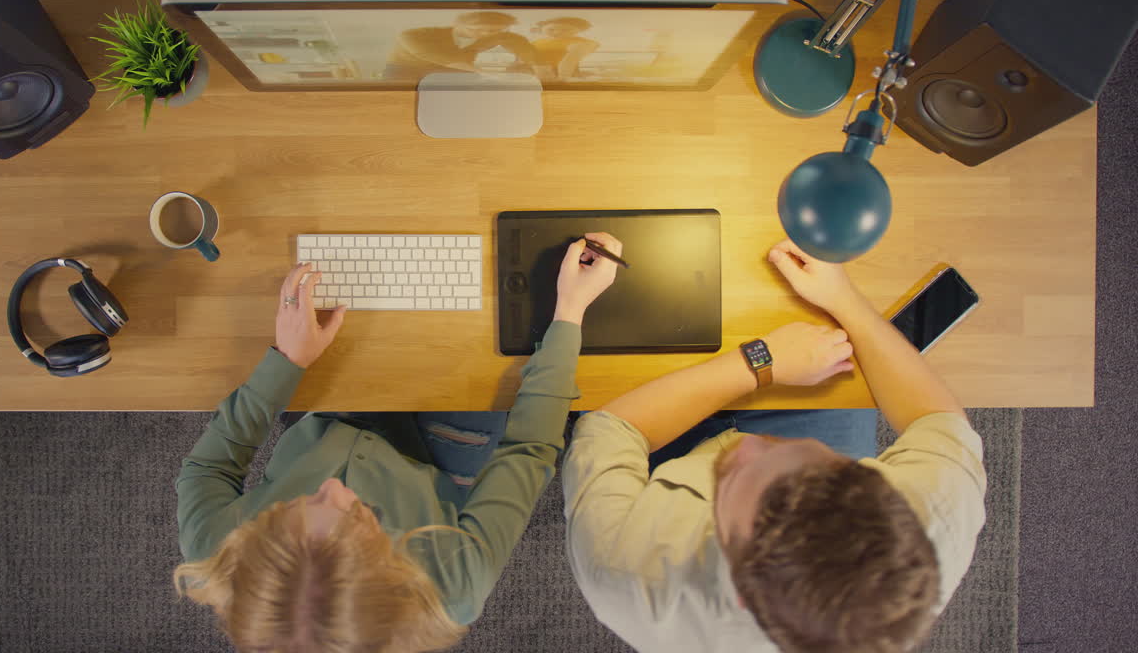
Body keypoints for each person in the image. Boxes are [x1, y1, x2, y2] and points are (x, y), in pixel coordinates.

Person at [172, 233, 623, 653]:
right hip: (434, 460)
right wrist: (570, 311)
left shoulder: (217, 552)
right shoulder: (454, 585)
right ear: (398, 571)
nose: (334, 487)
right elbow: (529, 448)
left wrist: (288, 360)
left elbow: (210, 468)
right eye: (360, 516)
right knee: (490, 358)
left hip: (325, 426)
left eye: (295, 506)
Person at [562, 239, 987, 653]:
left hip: (661, 447)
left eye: (733, 479)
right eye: (802, 455)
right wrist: (843, 298)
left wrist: (759, 361)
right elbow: (938, 420)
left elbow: (610, 429)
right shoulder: (932, 521)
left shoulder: (625, 575)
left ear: (741, 589)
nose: (746, 447)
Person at [383, 11, 539, 80]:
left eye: (492, 30)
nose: (484, 34)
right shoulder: (414, 35)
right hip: (406, 70)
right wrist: (485, 72)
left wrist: (527, 62)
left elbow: (525, 49)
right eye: (475, 29)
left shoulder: (502, 36)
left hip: (455, 69)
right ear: (456, 24)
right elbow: (440, 57)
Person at [530, 17, 600, 81]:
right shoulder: (537, 42)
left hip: (568, 74)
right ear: (543, 29)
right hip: (538, 74)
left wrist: (563, 77)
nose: (557, 32)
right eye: (551, 29)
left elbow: (571, 59)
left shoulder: (579, 42)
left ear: (578, 30)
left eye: (566, 30)